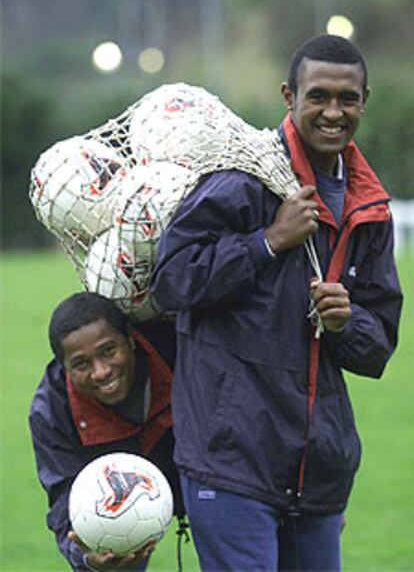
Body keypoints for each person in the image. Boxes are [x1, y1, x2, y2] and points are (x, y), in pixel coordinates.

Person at [149, 34, 403, 571]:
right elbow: (171, 281)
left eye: (347, 98)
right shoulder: (239, 178)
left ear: (364, 100)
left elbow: (377, 347)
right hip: (231, 460)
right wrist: (266, 242)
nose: (333, 112)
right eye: (318, 96)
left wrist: (345, 322)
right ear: (289, 96)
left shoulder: (370, 209)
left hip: (318, 468)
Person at [29, 292, 184, 571]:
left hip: (198, 474)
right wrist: (88, 559)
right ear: (64, 368)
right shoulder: (51, 411)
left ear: (130, 337)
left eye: (108, 351)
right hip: (116, 506)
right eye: (81, 364)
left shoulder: (179, 352)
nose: (100, 372)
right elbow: (66, 500)